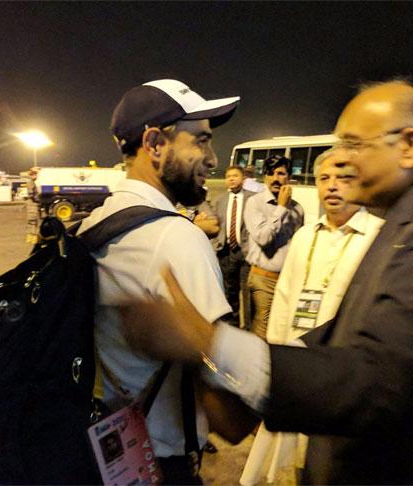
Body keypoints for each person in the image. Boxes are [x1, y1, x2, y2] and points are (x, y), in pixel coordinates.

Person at [119, 80, 413, 484]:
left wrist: (212, 343)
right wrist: (249, 371)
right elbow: (355, 332)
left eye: (353, 144)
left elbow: (378, 379)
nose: (341, 162)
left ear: (410, 145)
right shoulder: (412, 219)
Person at [77, 78, 254, 484]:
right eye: (201, 142)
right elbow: (228, 409)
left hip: (107, 455)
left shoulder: (92, 226)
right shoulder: (176, 238)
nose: (213, 159)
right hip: (162, 464)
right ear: (155, 144)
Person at [240, 148, 384, 485]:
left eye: (344, 178)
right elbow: (285, 301)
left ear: (361, 185)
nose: (333, 186)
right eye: (324, 179)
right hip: (299, 363)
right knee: (291, 462)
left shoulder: (379, 237)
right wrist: (277, 363)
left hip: (344, 372)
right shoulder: (305, 236)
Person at [244, 155, 304, 339]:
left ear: (288, 177)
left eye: (281, 173)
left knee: (282, 330)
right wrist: (281, 208)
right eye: (270, 173)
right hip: (264, 280)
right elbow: (263, 237)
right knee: (262, 331)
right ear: (264, 176)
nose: (275, 178)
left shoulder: (298, 209)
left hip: (287, 279)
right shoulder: (255, 203)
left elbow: (300, 243)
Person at [210, 165, 254, 328]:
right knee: (229, 292)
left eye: (235, 175)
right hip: (226, 251)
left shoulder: (253, 198)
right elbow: (215, 223)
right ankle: (233, 326)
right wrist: (216, 245)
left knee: (248, 293)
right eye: (228, 176)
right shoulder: (219, 200)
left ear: (243, 178)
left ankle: (249, 328)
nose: (231, 179)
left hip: (246, 252)